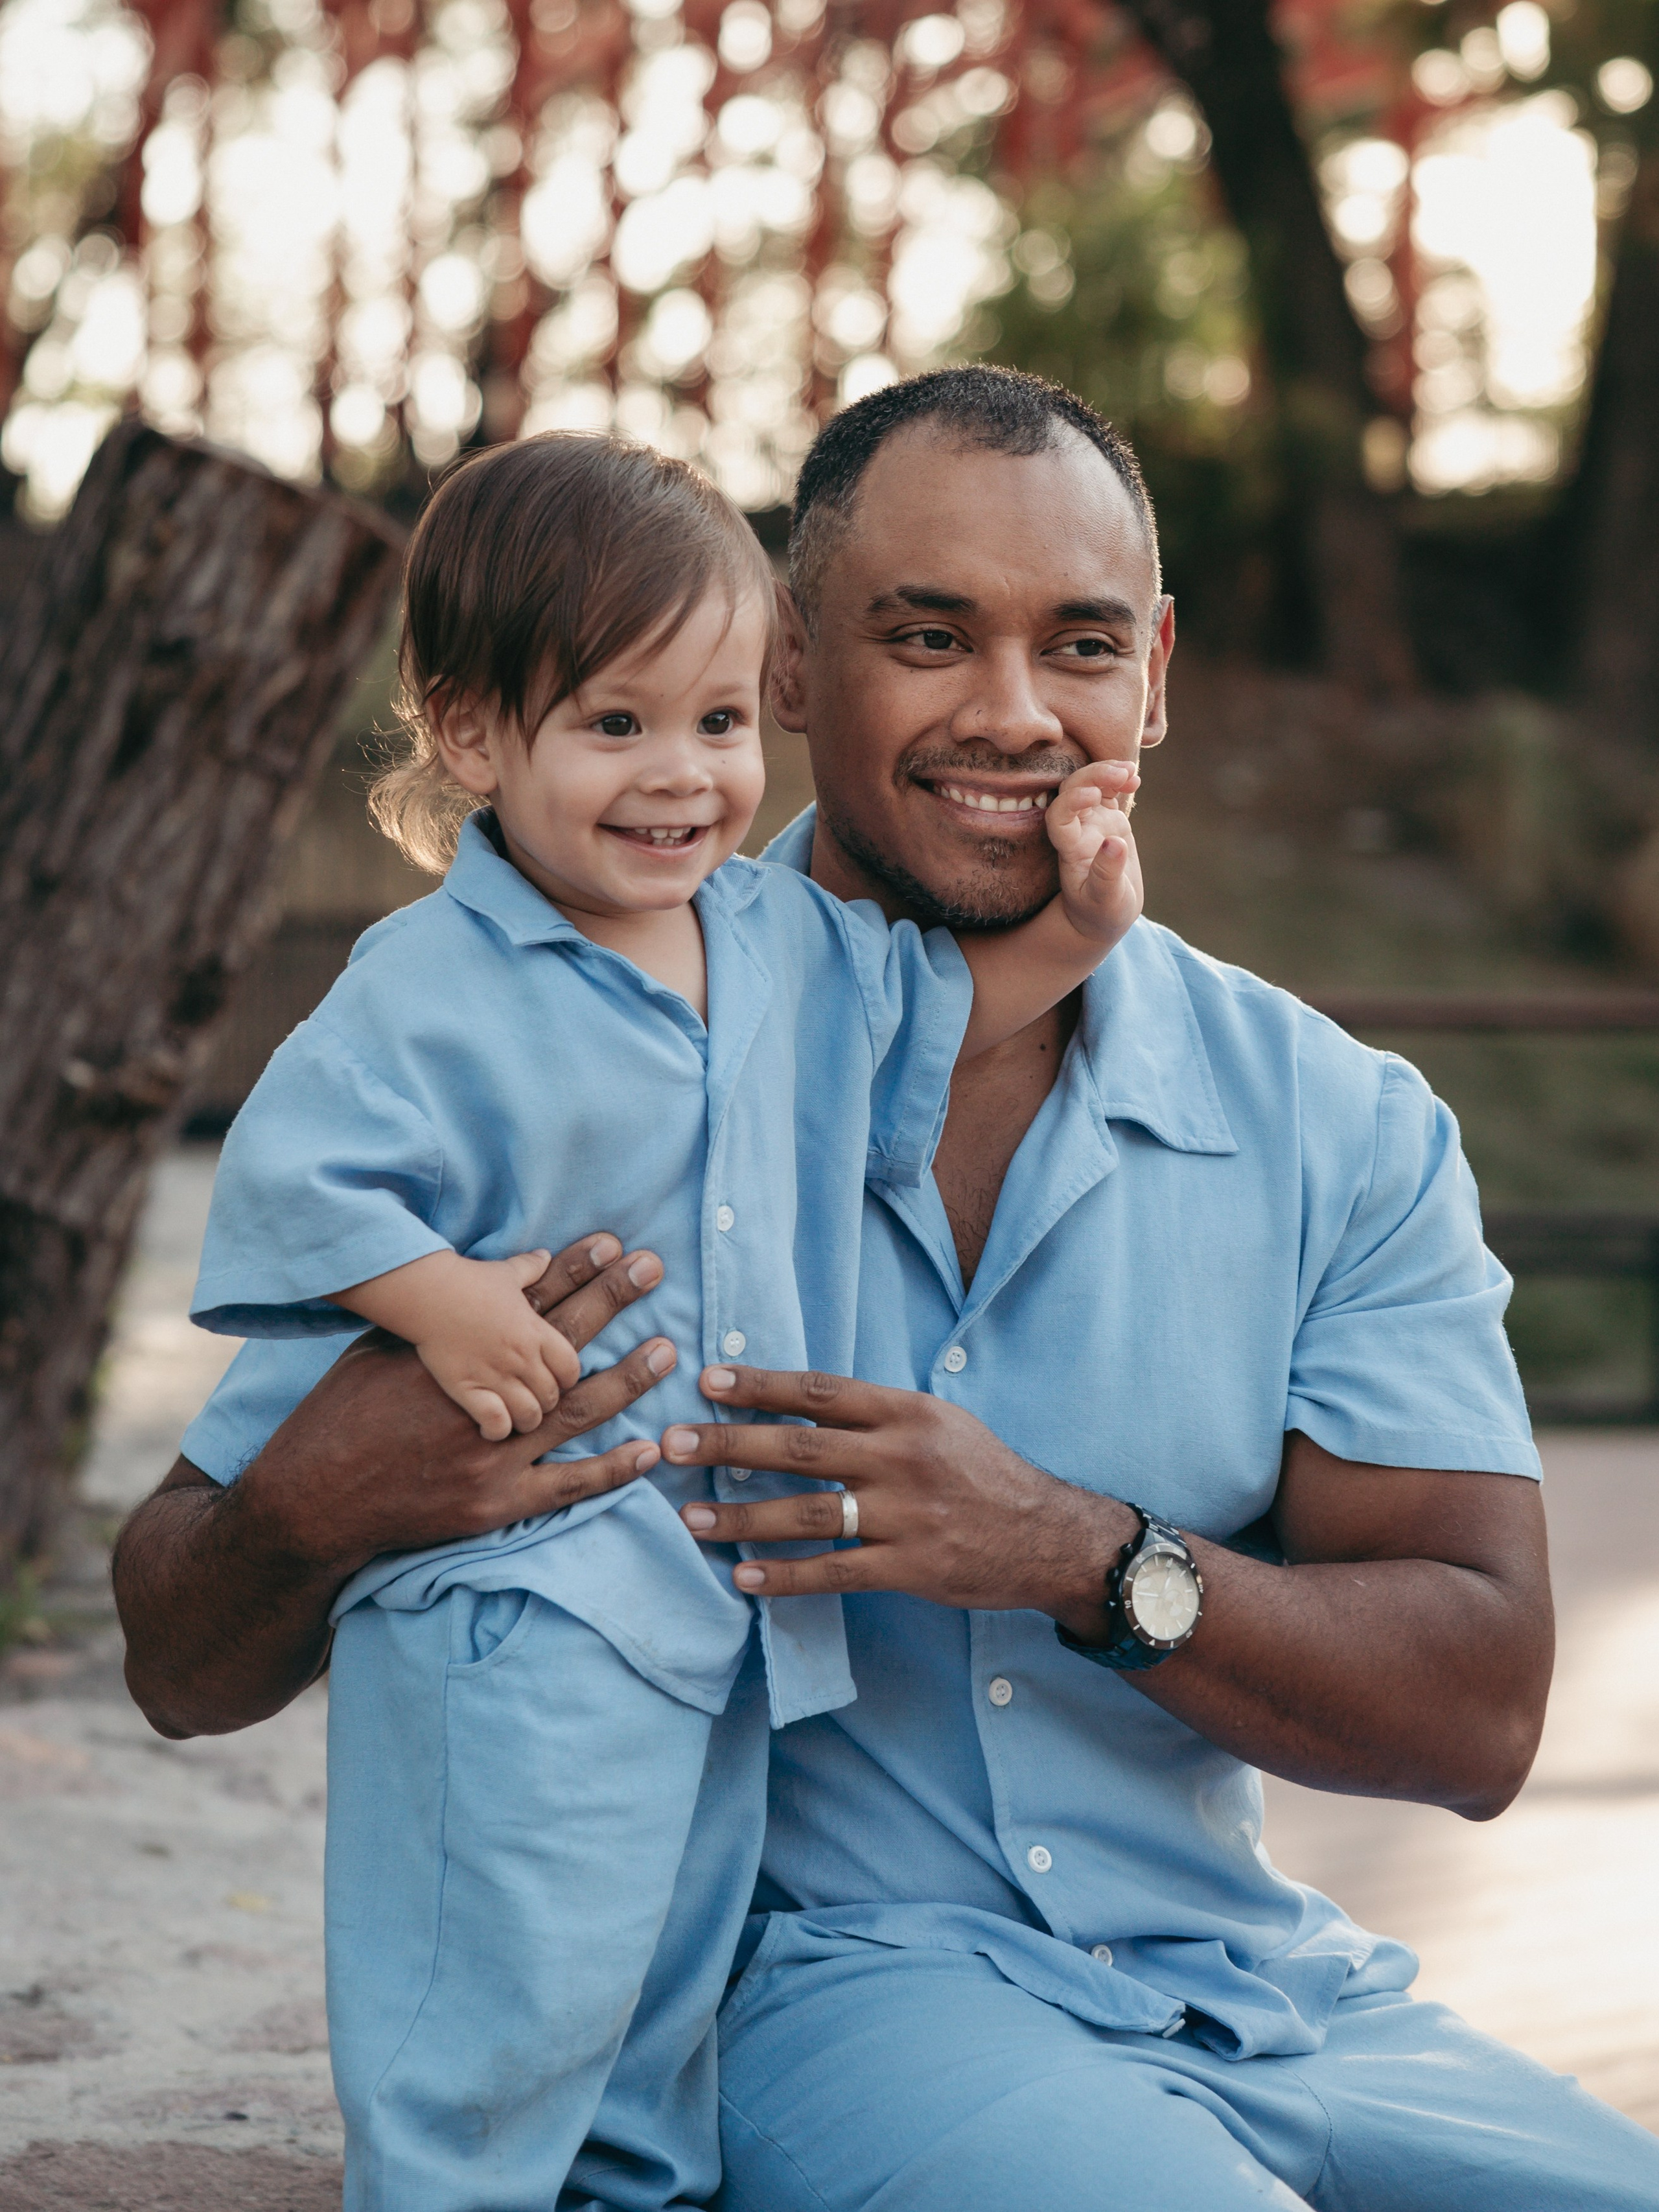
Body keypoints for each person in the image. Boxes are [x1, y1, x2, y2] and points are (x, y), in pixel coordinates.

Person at [113, 368, 1659, 2211]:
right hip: (841, 1999)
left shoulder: (1343, 1126)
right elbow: (179, 1651)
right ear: (790, 662)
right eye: (928, 637)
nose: (1013, 712)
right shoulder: (557, 1060)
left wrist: (1075, 1555)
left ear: (1155, 671)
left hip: (1271, 1992)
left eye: (1081, 645)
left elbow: (1479, 1713)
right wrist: (324, 1498)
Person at [177, 428, 1141, 2212]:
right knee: (501, 1995)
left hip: (713, 1602)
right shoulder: (433, 984)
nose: (682, 774)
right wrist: (441, 1302)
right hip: (515, 1606)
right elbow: (295, 1176)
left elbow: (936, 1026)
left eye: (718, 720)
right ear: (473, 734)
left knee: (657, 1998)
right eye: (615, 723)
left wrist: (1080, 934)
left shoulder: (776, 938)